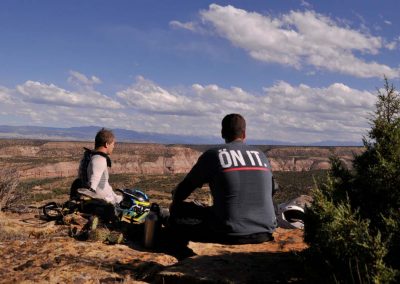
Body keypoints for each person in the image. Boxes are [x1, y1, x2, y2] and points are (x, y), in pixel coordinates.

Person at [168, 114, 277, 244]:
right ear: (244, 134)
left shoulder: (213, 155)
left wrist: (175, 196)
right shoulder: (261, 155)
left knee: (177, 209)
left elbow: (183, 191)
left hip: (227, 233)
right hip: (264, 232)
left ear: (222, 133)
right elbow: (272, 191)